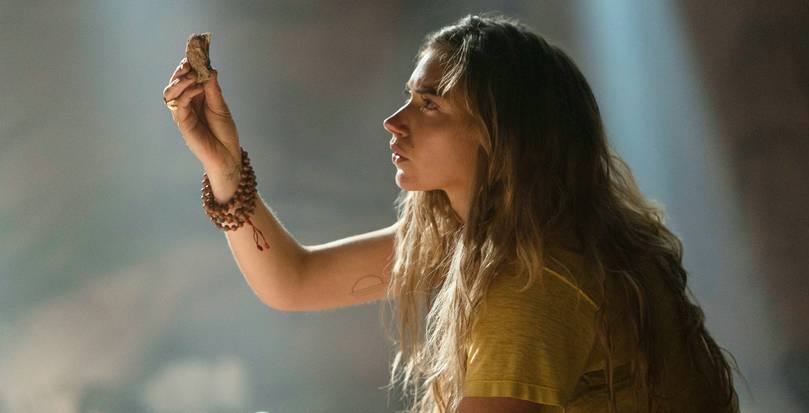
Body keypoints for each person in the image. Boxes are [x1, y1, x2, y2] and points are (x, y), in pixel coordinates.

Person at [163, 13, 741, 413]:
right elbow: (295, 281)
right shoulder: (483, 236)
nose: (394, 121)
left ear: (499, 134)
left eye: (428, 104)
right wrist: (223, 163)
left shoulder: (534, 279)